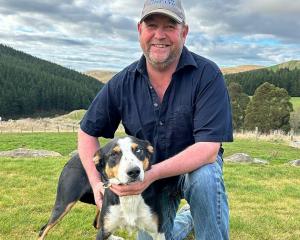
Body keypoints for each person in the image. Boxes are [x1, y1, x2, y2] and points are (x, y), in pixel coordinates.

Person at [78, 0, 233, 239]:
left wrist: (151, 174)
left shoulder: (207, 74)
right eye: (152, 25)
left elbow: (209, 149)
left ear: (184, 32)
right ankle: (188, 219)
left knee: (205, 179)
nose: (159, 35)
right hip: (147, 176)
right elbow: (87, 132)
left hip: (192, 171)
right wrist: (97, 182)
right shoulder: (122, 82)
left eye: (170, 26)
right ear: (140, 30)